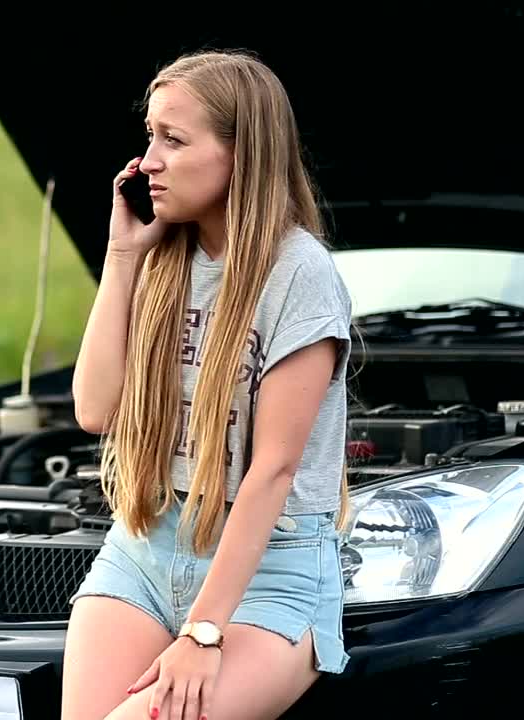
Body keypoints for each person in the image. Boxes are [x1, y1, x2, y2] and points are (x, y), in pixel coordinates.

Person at [63, 49, 353, 720]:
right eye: (149, 137)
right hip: (148, 543)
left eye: (174, 139)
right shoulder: (165, 258)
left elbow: (273, 470)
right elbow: (94, 409)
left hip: (270, 568)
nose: (147, 162)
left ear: (239, 154)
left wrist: (203, 630)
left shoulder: (299, 274)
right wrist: (122, 253)